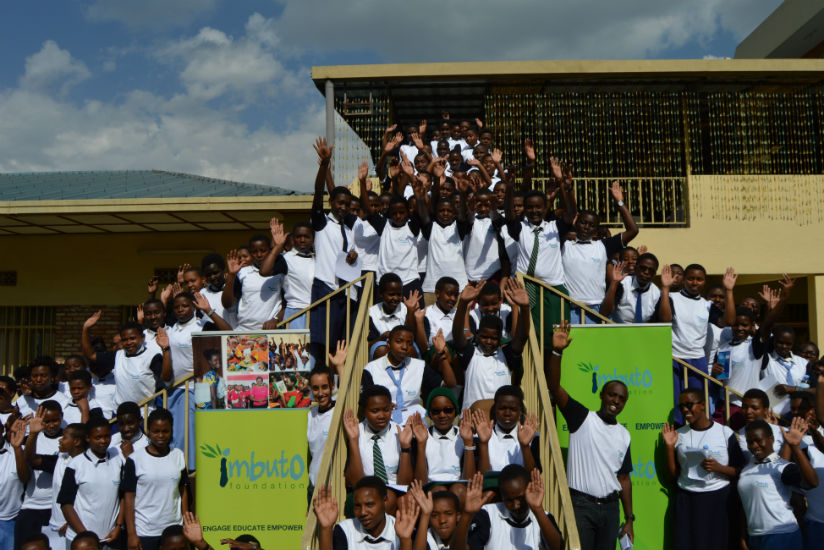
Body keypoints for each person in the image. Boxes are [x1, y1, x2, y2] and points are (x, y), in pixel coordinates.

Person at [546, 321, 633, 549]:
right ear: (602, 395)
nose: (616, 401)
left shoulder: (624, 435)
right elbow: (555, 387)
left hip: (611, 508)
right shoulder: (582, 417)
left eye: (622, 398)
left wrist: (630, 519)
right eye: (612, 395)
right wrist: (557, 352)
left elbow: (624, 479)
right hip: (581, 506)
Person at [660, 388, 745, 550]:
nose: (685, 410)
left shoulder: (724, 432)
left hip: (719, 500)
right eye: (681, 407)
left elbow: (740, 471)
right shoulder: (679, 435)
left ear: (704, 405)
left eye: (690, 405)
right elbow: (672, 477)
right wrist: (670, 447)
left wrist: (719, 468)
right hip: (688, 501)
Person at [658, 265, 737, 424]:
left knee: (698, 404)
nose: (695, 282)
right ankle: (677, 438)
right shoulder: (672, 297)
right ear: (684, 279)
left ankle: (697, 436)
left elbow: (728, 321)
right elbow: (665, 320)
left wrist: (729, 291)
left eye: (699, 279)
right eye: (691, 278)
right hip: (674, 358)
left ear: (704, 281)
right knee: (674, 403)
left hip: (697, 360)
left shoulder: (707, 305)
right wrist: (665, 288)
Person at [561, 182, 638, 324]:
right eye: (584, 222)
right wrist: (567, 187)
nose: (586, 227)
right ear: (576, 222)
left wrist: (619, 201)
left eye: (591, 225)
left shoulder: (603, 246)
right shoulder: (564, 245)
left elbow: (633, 230)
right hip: (569, 308)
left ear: (596, 230)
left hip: (597, 309)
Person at [738, 418, 818, 550]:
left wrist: (795, 447)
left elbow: (813, 482)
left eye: (759, 440)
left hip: (782, 536)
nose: (754, 446)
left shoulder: (781, 467)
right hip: (755, 537)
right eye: (750, 442)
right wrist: (743, 535)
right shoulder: (747, 469)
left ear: (771, 439)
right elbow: (745, 503)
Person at [452, 279, 529, 410]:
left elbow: (521, 337)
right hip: (472, 423)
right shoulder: (471, 354)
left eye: (493, 338)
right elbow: (457, 334)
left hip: (500, 423)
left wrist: (525, 307)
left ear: (500, 339)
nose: (488, 341)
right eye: (484, 337)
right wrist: (463, 303)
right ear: (477, 335)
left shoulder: (506, 356)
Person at [123, 408, 189, 550]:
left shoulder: (178, 455)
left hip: (174, 531)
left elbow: (183, 491)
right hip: (145, 532)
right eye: (156, 431)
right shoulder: (135, 459)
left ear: (171, 430)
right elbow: (129, 498)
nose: (160, 436)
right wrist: (131, 534)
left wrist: (186, 523)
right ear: (148, 430)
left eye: (165, 431)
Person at [452, 468, 563, 550]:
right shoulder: (487, 515)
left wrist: (538, 509)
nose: (515, 505)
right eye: (509, 500)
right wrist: (467, 514)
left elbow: (558, 548)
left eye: (520, 498)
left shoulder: (543, 517)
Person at [57, 417, 125, 548]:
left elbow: (122, 498)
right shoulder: (76, 464)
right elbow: (66, 504)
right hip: (81, 542)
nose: (104, 441)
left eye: (107, 436)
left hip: (110, 539)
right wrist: (86, 537)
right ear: (87, 438)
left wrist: (118, 527)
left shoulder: (118, 460)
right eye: (98, 437)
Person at [82, 312, 172, 410]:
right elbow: (91, 355)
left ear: (142, 338)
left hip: (144, 414)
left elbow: (166, 378)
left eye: (132, 338)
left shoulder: (152, 357)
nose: (129, 343)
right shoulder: (117, 355)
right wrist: (85, 329)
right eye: (124, 340)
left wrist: (165, 349)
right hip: (120, 415)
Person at [361, 325, 446, 424]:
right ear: (388, 344)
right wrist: (384, 405)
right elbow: (365, 400)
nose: (404, 347)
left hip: (415, 418)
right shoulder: (371, 369)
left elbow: (446, 385)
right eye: (399, 341)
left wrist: (441, 353)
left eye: (409, 343)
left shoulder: (419, 365)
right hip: (384, 419)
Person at [314, 478, 416, 550]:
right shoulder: (345, 530)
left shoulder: (402, 529)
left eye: (369, 504)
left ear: (385, 501)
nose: (363, 512)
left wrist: (405, 540)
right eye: (357, 506)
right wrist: (326, 529)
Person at [343, 385, 414, 489]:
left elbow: (404, 485)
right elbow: (356, 483)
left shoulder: (400, 434)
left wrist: (405, 448)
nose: (381, 416)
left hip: (394, 492)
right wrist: (353, 441)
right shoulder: (356, 433)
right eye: (375, 411)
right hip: (366, 493)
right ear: (363, 411)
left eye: (386, 410)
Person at [17, 402, 63, 547]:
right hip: (31, 506)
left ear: (62, 417)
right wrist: (33, 434)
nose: (51, 425)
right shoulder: (30, 439)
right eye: (46, 421)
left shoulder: (67, 439)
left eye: (55, 420)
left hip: (56, 509)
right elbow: (28, 461)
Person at [307, 344, 346, 502]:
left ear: (332, 386)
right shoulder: (309, 415)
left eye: (325, 387)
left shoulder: (338, 410)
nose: (321, 393)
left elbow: (346, 396)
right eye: (315, 388)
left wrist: (340, 366)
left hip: (334, 485)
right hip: (314, 485)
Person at [260, 219, 315, 329]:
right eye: (298, 237)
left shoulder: (318, 259)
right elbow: (264, 271)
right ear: (293, 239)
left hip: (317, 311)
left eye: (306, 237)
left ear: (313, 239)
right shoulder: (286, 258)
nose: (302, 240)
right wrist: (277, 247)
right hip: (295, 314)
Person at [222, 234, 283, 331]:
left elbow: (287, 303)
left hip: (270, 332)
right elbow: (227, 304)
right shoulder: (242, 273)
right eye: (254, 252)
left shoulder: (279, 274)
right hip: (244, 331)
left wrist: (276, 319)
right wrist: (231, 276)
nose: (259, 255)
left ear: (270, 250)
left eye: (263, 251)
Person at [416, 388, 475, 487]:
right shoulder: (422, 436)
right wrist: (421, 445)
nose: (442, 415)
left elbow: (469, 481)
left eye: (448, 410)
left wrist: (468, 443)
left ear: (455, 411)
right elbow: (421, 483)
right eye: (436, 411)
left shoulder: (464, 435)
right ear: (429, 413)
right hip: (431, 487)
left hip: (458, 488)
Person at [42, 423, 88, 550]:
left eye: (64, 437)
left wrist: (70, 523)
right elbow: (32, 459)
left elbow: (85, 499)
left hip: (74, 529)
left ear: (77, 441)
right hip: (55, 527)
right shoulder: (62, 456)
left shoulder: (85, 465)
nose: (60, 440)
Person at [600, 253, 663, 323]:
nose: (646, 272)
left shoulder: (657, 293)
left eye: (651, 270)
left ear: (654, 274)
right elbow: (604, 312)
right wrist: (614, 283)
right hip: (618, 329)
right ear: (635, 268)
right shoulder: (622, 284)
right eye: (643, 268)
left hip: (642, 332)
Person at [0, 418, 29, 550]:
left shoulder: (17, 451)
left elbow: (25, 478)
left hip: (10, 520)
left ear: (2, 430)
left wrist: (17, 449)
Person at [407, 481, 461, 550]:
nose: (442, 520)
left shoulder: (466, 534)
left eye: (448, 514)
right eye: (435, 515)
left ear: (458, 516)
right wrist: (425, 515)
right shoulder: (424, 537)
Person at [736, 389, 785, 462]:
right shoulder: (737, 435)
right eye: (745, 407)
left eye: (754, 408)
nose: (748, 412)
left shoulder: (781, 432)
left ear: (765, 410)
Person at [199, 253, 237, 329]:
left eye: (216, 273)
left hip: (234, 337)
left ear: (224, 270)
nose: (212, 277)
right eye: (208, 275)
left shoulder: (235, 288)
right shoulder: (202, 293)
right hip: (212, 338)